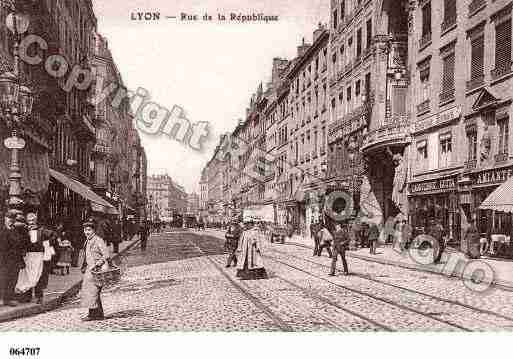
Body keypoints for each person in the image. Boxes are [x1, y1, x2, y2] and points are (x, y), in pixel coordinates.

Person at [16, 212, 56, 304]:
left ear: (36, 220)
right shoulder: (24, 230)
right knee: (27, 276)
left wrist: (46, 243)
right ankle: (27, 296)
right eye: (29, 220)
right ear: (27, 221)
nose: (31, 222)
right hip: (28, 256)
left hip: (39, 255)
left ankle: (39, 296)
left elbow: (53, 235)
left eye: (33, 220)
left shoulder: (42, 230)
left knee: (38, 275)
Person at [81, 219, 110, 321]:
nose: (87, 232)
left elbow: (106, 255)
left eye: (89, 230)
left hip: (97, 270)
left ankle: (94, 314)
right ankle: (97, 313)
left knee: (93, 291)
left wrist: (97, 264)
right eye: (85, 230)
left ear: (93, 230)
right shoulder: (88, 240)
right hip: (90, 269)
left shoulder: (98, 240)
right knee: (91, 292)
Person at [0, 210, 27, 306]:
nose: (10, 221)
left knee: (13, 279)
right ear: (5, 219)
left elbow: (21, 243)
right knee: (3, 278)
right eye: (9, 219)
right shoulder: (2, 230)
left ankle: (9, 298)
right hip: (3, 259)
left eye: (12, 219)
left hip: (15, 259)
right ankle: (2, 298)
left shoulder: (16, 230)